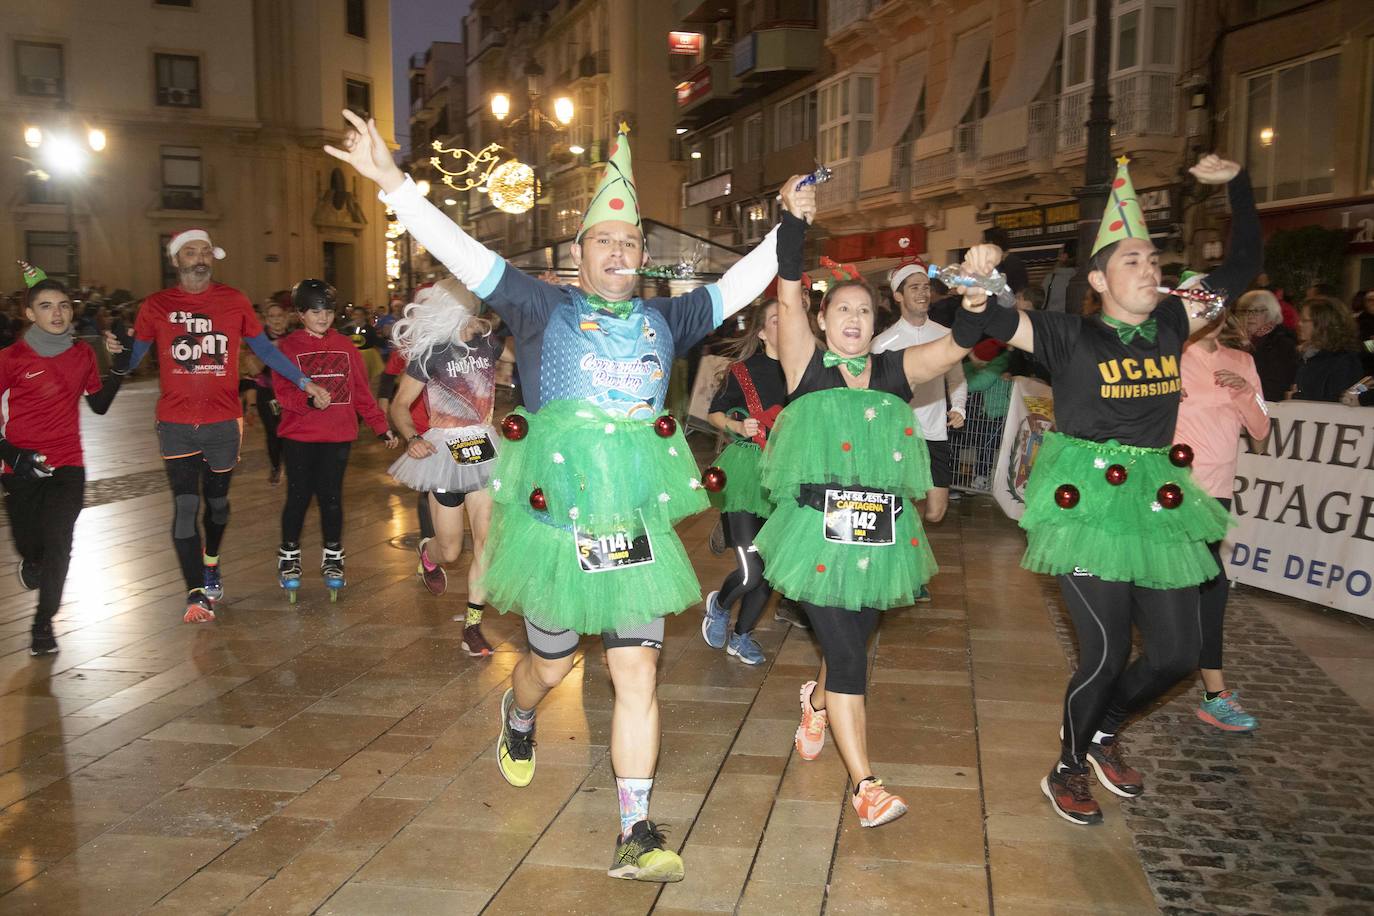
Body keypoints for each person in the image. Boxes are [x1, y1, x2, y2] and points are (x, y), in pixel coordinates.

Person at [328, 112, 795, 883]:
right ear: (579, 255)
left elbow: (745, 279)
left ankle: (636, 828)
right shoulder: (541, 307)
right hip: (555, 530)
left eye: (631, 243)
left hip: (635, 529)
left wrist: (789, 225)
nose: (620, 251)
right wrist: (393, 184)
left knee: (637, 672)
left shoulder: (667, 318)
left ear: (644, 258)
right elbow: (464, 253)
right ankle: (516, 715)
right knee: (549, 667)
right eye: (605, 241)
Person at [970, 154, 1260, 825]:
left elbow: (1243, 265)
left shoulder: (1173, 323)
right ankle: (1068, 765)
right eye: (1134, 260)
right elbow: (991, 324)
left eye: (1155, 261)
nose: (1151, 270)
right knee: (1102, 653)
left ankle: (1104, 732)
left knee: (1176, 654)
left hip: (1157, 501)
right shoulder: (1067, 334)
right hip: (1087, 504)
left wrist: (1238, 185)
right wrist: (979, 280)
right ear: (1098, 278)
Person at [758, 202, 1001, 829]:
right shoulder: (805, 368)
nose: (855, 319)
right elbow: (786, 292)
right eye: (843, 309)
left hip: (880, 535)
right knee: (849, 659)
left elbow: (956, 350)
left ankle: (814, 702)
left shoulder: (893, 370)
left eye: (865, 310)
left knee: (851, 644)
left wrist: (977, 302)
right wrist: (792, 220)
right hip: (815, 534)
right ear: (822, 319)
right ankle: (866, 784)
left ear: (877, 320)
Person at [125, 229, 332, 623]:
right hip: (175, 422)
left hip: (223, 421)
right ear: (176, 260)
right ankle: (195, 592)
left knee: (216, 505)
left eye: (205, 251)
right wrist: (114, 356)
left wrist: (304, 382)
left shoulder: (233, 300)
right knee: (186, 505)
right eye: (190, 252)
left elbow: (265, 350)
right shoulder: (156, 306)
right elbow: (134, 357)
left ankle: (211, 560)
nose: (199, 258)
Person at [3, 263, 128, 655]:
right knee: (30, 544)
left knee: (60, 541)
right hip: (18, 466)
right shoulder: (10, 359)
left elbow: (100, 405)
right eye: (46, 306)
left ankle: (44, 624)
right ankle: (33, 562)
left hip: (67, 465)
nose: (57, 313)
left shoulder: (82, 355)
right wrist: (14, 455)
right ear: (30, 314)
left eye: (63, 306)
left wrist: (120, 367)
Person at [387, 279, 511, 658]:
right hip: (443, 454)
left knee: (486, 543)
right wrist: (412, 438)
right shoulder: (431, 353)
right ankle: (428, 550)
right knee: (452, 551)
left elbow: (525, 331)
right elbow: (398, 406)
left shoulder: (489, 343)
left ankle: (473, 627)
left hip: (484, 449)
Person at [273, 280, 398, 600]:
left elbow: (360, 392)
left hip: (338, 435)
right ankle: (289, 556)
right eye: (315, 311)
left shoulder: (345, 346)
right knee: (298, 496)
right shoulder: (288, 348)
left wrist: (380, 426)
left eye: (327, 311)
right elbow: (283, 393)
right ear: (300, 314)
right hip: (299, 435)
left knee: (331, 498)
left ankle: (333, 557)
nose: (323, 317)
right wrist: (308, 402)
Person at [1177, 312, 1269, 731]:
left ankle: (1208, 691)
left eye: (1214, 305)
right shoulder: (1169, 357)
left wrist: (1246, 393)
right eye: (1198, 306)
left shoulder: (1242, 361)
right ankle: (1212, 691)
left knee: (1202, 583)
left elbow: (1261, 432)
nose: (1208, 315)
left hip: (1218, 490)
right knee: (1204, 583)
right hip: (1173, 487)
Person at [701, 299, 787, 665]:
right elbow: (715, 413)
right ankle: (720, 605)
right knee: (752, 569)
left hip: (786, 477)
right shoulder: (744, 371)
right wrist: (738, 425)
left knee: (770, 572)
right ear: (762, 331)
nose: (785, 325)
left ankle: (742, 635)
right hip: (747, 474)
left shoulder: (807, 372)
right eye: (775, 320)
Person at [872, 259, 967, 541]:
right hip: (897, 437)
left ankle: (907, 540)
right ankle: (907, 557)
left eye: (926, 287)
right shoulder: (882, 344)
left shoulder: (945, 335)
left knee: (936, 512)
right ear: (898, 295)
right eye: (914, 287)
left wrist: (958, 406)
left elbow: (957, 377)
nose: (923, 293)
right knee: (901, 505)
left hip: (934, 433)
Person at [378, 334, 438, 544]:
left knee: (451, 490)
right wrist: (383, 409)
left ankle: (444, 539)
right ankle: (428, 546)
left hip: (455, 428)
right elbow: (388, 377)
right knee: (428, 487)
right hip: (418, 428)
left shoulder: (458, 340)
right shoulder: (408, 344)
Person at [246, 300, 290, 485]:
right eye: (272, 317)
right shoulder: (258, 340)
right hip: (267, 392)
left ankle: (292, 465)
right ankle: (275, 467)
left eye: (279, 316)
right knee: (273, 432)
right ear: (266, 320)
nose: (276, 320)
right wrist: (270, 350)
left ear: (286, 318)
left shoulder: (295, 338)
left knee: (289, 431)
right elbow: (253, 369)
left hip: (290, 392)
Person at [1291, 296, 1364, 402]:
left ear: (1323, 325)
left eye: (1305, 320)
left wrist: (1296, 397)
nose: (1299, 324)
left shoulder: (1345, 361)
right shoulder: (1308, 357)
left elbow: (1339, 402)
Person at [1234, 289, 1297, 402]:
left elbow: (1275, 387)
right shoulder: (1236, 341)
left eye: (1256, 311)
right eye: (1245, 311)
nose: (1250, 316)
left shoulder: (1282, 344)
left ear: (1270, 313)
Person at [1042, 245, 1076, 313]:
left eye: (1060, 254)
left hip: (1054, 318)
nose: (1058, 257)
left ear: (1065, 256)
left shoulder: (1051, 278)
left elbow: (1043, 301)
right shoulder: (1085, 277)